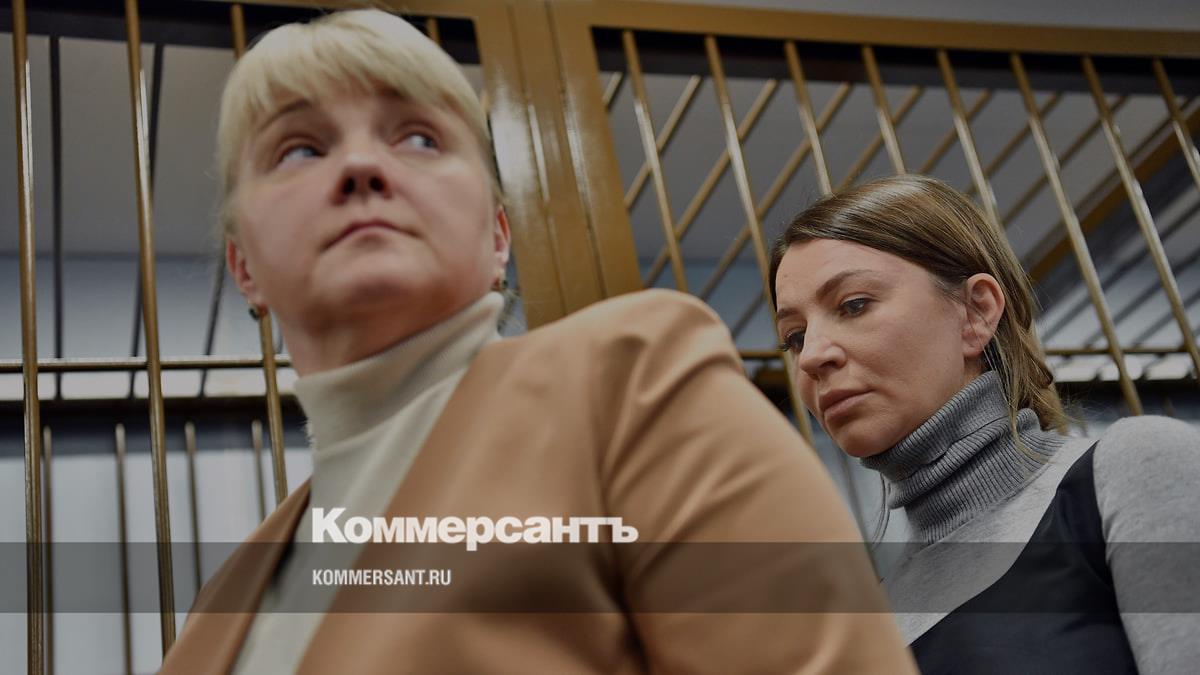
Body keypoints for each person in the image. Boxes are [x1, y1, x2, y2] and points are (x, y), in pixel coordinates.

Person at [159, 10, 916, 674]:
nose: (360, 166)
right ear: (243, 264)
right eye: (298, 149)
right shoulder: (222, 605)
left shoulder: (631, 381)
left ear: (498, 235)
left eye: (419, 137)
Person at [770, 173, 1200, 673]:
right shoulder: (871, 622)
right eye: (794, 337)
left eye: (854, 305)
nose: (811, 356)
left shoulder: (1131, 470)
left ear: (976, 312)